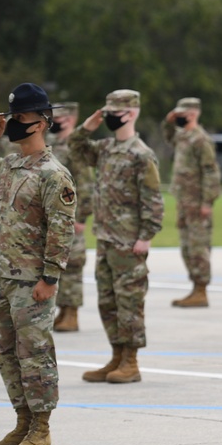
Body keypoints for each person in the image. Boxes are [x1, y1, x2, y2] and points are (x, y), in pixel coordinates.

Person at [0, 83, 76, 445]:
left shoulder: (54, 173)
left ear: (41, 122)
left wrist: (50, 277)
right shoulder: (10, 165)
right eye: (12, 116)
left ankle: (41, 428)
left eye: (21, 118)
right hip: (4, 277)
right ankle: (21, 421)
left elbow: (61, 230)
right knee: (6, 353)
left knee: (35, 353)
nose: (14, 123)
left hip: (33, 280)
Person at [70, 89, 164, 384]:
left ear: (132, 113)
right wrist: (89, 125)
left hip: (129, 241)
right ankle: (116, 356)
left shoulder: (141, 154)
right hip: (107, 238)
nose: (110, 117)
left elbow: (153, 199)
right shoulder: (106, 148)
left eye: (115, 113)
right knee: (107, 302)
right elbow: (75, 147)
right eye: (107, 112)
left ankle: (131, 362)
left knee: (130, 302)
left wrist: (146, 236)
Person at [163, 97, 221, 308]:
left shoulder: (200, 139)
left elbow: (210, 172)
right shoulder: (183, 136)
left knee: (198, 247)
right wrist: (168, 122)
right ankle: (195, 288)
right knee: (187, 246)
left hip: (197, 203)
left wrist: (207, 201)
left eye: (182, 115)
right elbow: (168, 137)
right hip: (183, 201)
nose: (179, 118)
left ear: (194, 114)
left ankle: (201, 290)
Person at [48, 101, 95, 332]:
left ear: (69, 120)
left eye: (57, 119)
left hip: (71, 217)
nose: (52, 123)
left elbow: (86, 185)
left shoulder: (75, 148)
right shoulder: (52, 145)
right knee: (56, 264)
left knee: (73, 264)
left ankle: (72, 312)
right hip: (54, 216)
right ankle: (62, 310)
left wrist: (81, 218)